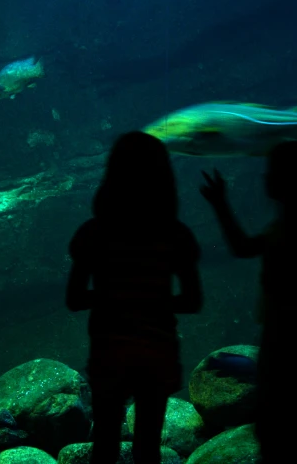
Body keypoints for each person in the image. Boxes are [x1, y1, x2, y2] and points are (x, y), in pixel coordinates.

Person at [66, 131, 203, 464]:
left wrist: (112, 298)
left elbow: (74, 298)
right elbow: (193, 300)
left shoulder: (93, 232)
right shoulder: (175, 234)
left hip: (109, 351)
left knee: (105, 445)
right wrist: (153, 302)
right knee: (147, 449)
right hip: (157, 350)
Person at [199, 140, 297, 464]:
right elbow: (244, 247)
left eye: (272, 171)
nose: (264, 177)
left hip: (291, 352)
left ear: (292, 184)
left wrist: (269, 369)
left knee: (284, 440)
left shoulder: (294, 238)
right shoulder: (293, 232)